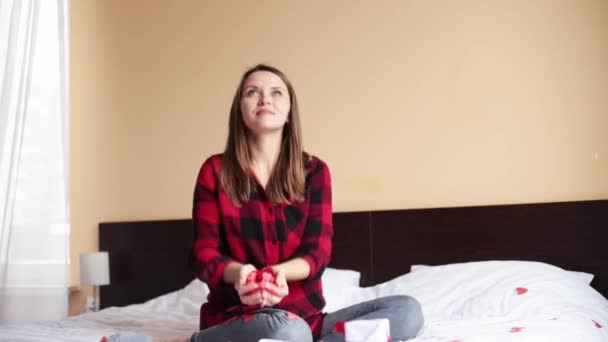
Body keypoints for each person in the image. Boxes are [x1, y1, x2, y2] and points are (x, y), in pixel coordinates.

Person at [102, 64, 424, 342]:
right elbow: (203, 254)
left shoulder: (315, 172)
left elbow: (318, 252)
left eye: (276, 92)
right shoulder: (215, 171)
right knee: (288, 332)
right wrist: (242, 273)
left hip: (306, 319)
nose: (264, 98)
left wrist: (278, 275)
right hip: (238, 317)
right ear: (240, 109)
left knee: (407, 311)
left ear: (288, 111)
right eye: (252, 92)